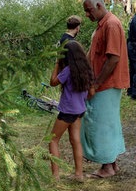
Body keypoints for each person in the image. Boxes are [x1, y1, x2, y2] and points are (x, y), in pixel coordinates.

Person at [81, 0, 130, 178]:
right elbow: (94, 53)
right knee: (107, 123)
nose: (86, 14)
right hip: (104, 83)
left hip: (107, 84)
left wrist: (97, 82)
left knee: (100, 124)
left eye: (89, 10)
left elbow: (113, 58)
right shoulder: (103, 24)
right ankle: (112, 164)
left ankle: (107, 167)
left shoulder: (111, 24)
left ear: (99, 6)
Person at [48, 41, 93, 181]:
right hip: (80, 110)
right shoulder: (86, 69)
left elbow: (53, 82)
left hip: (68, 111)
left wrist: (57, 63)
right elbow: (92, 92)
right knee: (75, 141)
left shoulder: (68, 70)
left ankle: (55, 176)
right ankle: (79, 174)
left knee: (53, 140)